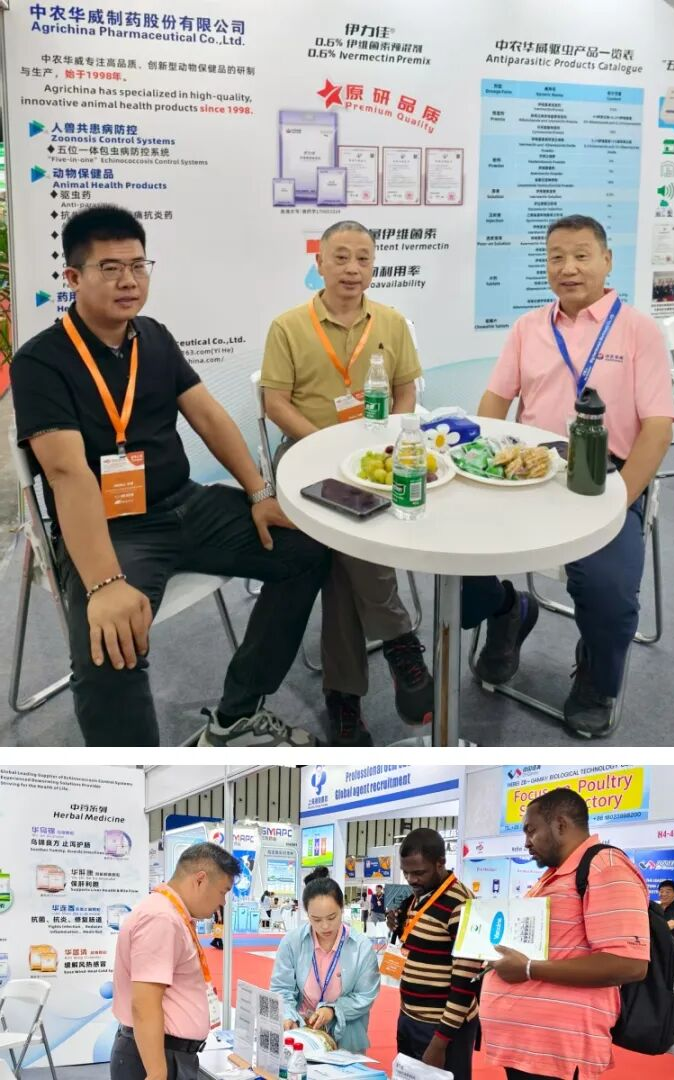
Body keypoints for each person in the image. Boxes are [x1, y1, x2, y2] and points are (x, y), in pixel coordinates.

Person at [9, 204, 329, 747]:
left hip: (187, 504)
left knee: (308, 549)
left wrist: (259, 493)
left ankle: (236, 713)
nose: (129, 280)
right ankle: (134, 777)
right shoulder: (41, 361)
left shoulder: (153, 336)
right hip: (112, 530)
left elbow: (208, 415)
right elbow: (66, 473)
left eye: (138, 265)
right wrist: (105, 583)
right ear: (73, 278)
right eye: (110, 268)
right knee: (110, 647)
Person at [461, 214, 674, 737]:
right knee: (454, 553)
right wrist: (482, 461)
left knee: (607, 589)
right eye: (556, 257)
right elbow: (494, 403)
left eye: (582, 255)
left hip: (606, 478)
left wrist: (620, 499)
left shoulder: (638, 330)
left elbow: (658, 429)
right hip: (526, 472)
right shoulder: (528, 328)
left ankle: (598, 677)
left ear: (607, 261)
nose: (569, 267)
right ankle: (508, 611)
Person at [261, 220, 434, 744]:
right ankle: (400, 641)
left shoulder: (392, 322)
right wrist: (324, 446)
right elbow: (275, 403)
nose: (352, 269)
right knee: (355, 531)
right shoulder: (288, 326)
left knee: (341, 557)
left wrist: (388, 440)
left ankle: (343, 698)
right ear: (319, 263)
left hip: (371, 460)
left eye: (363, 258)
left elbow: (406, 390)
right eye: (340, 257)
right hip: (308, 459)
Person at [479, 787, 650, 1080]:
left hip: (558, 1054)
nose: (526, 842)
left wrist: (529, 969)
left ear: (560, 825)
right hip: (529, 1050)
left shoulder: (606, 868)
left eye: (531, 831)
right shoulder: (556, 875)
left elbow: (629, 964)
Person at [110, 843, 239, 1080]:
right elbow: (145, 1003)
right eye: (223, 891)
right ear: (200, 880)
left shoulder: (169, 913)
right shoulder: (161, 918)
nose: (222, 902)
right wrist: (157, 1072)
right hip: (157, 1057)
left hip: (165, 1053)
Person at [384, 829, 482, 1078]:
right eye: (406, 872)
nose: (411, 880)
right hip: (410, 1017)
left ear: (441, 863)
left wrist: (440, 1041)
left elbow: (465, 983)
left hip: (442, 1028)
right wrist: (397, 924)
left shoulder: (462, 904)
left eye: (419, 873)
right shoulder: (417, 897)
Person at [270, 867, 380, 1053]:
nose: (325, 926)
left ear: (342, 909)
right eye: (316, 919)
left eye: (332, 917)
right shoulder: (292, 942)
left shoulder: (361, 947)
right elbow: (281, 988)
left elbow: (365, 995)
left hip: (346, 1042)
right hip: (302, 1037)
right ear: (307, 914)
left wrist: (333, 1010)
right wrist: (288, 1016)